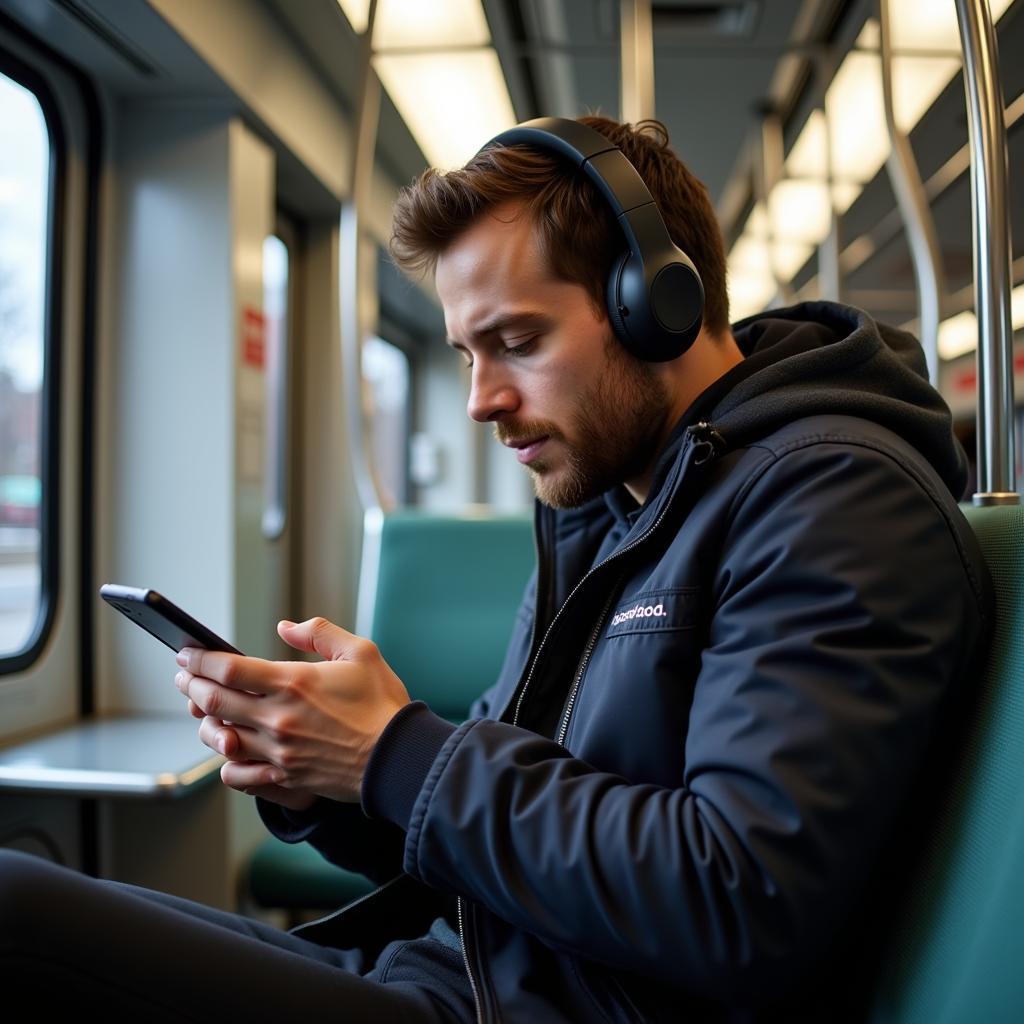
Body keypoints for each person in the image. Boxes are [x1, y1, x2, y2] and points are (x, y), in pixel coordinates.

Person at [0, 115, 992, 1022]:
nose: (480, 400)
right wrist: (332, 781)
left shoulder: (830, 501)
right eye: (466, 355)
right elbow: (510, 828)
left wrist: (395, 753)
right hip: (461, 971)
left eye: (515, 342)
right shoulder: (610, 512)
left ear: (659, 304)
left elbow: (737, 901)